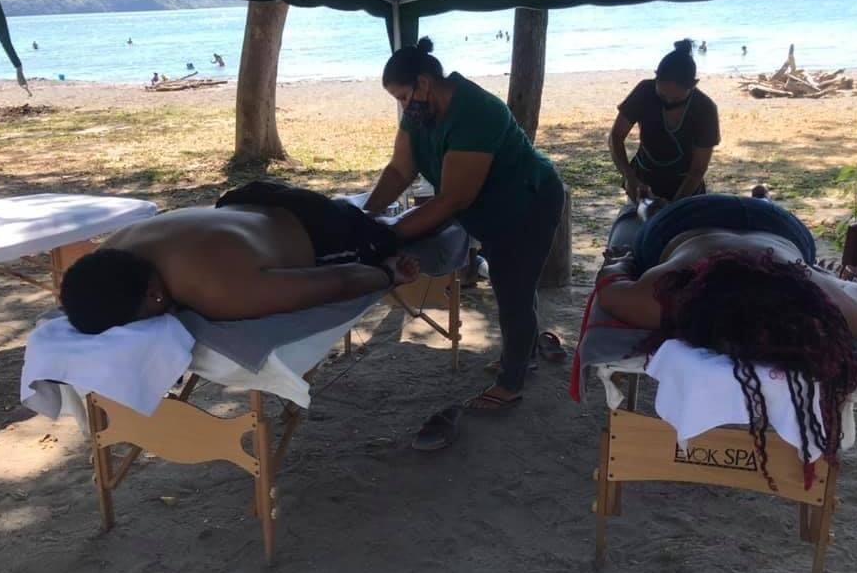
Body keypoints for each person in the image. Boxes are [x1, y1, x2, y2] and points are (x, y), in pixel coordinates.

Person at [594, 193, 857, 486]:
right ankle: (758, 200)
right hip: (706, 223)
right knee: (651, 212)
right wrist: (620, 263)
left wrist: (621, 260)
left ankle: (755, 201)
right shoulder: (668, 293)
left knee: (651, 211)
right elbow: (611, 284)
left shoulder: (668, 294)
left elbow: (609, 283)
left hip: (738, 223)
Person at [365, 37, 565, 413]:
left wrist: (384, 235)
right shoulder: (419, 113)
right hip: (490, 206)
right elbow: (399, 170)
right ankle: (525, 353)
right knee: (514, 283)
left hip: (529, 201)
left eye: (404, 96)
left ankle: (512, 381)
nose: (403, 106)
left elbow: (452, 200)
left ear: (424, 83)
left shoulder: (475, 111)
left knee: (513, 289)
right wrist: (368, 215)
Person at [60, 184, 416, 334]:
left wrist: (385, 276)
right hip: (244, 201)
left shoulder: (219, 291)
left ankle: (452, 204)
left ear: (154, 295)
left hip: (318, 228)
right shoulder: (116, 247)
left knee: (390, 236)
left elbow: (342, 280)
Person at [609, 39, 720, 206]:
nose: (668, 101)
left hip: (686, 187)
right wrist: (629, 178)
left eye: (676, 99)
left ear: (693, 85)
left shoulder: (705, 108)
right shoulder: (644, 91)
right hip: (643, 182)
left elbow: (697, 170)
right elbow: (615, 137)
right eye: (662, 96)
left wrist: (673, 207)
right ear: (656, 78)